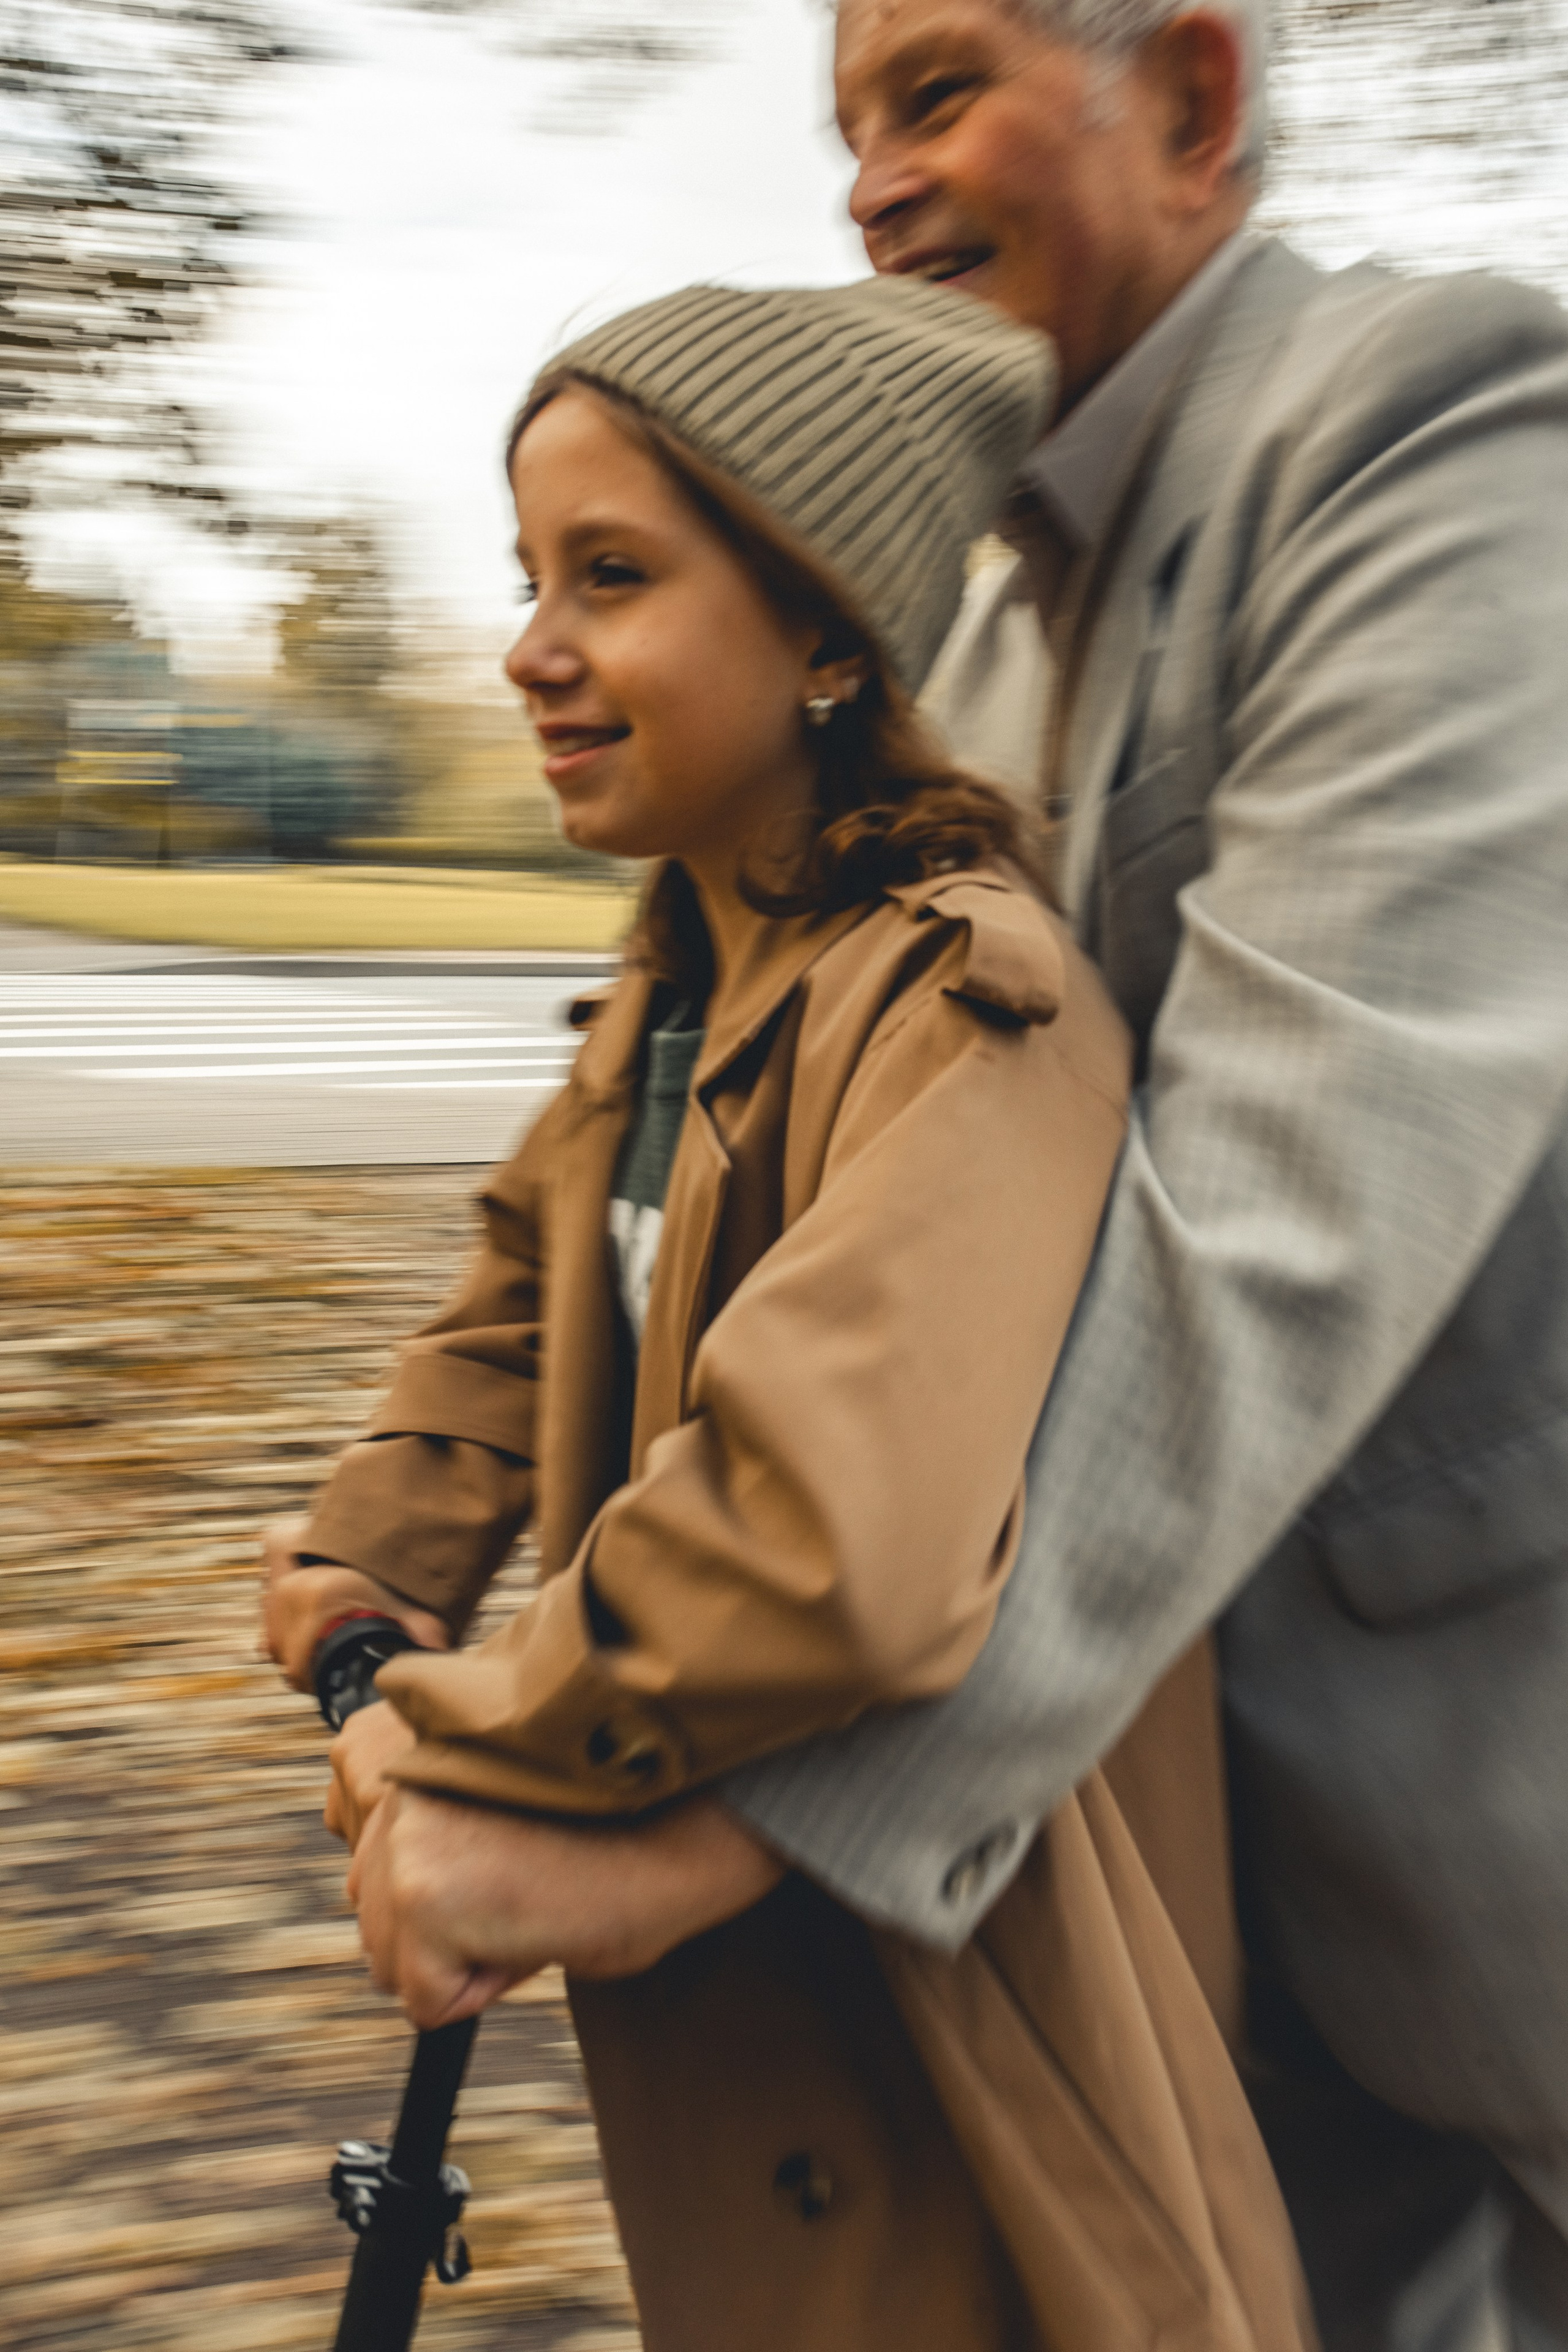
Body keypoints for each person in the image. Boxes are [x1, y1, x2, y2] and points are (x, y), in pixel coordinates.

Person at [265, 6, 1568, 2347]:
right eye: (847, 123)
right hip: (1170, 1902)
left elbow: (1272, 1244)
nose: (870, 180)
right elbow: (590, 1210)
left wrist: (693, 1804)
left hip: (1497, 1857)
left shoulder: (1428, 425)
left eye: (938, 88)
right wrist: (392, 1532)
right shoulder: (952, 614)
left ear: (1189, 98)